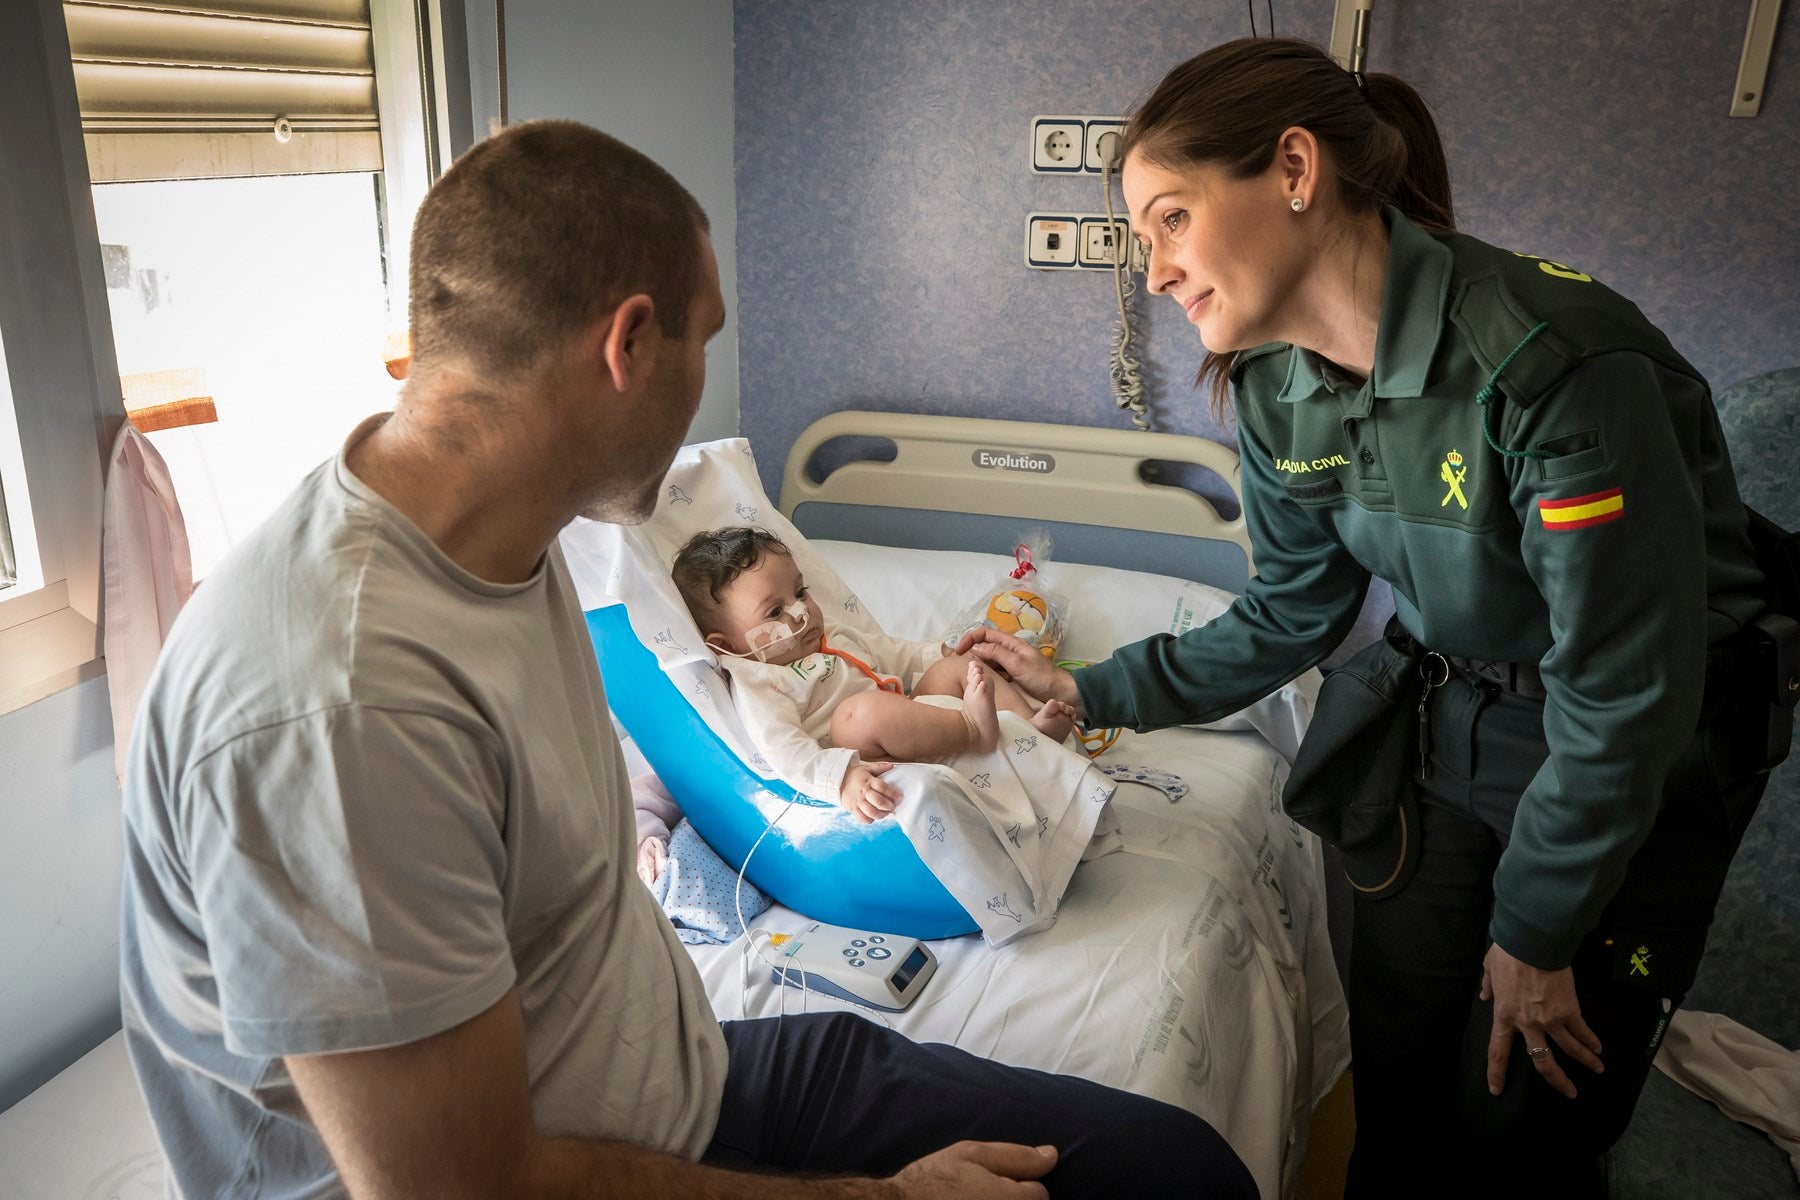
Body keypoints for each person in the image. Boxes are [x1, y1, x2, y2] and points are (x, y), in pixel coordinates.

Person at [118, 120, 1257, 1200]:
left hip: (684, 1080)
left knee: (1173, 1170)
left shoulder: (519, 550)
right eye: (704, 339)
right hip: (587, 1168)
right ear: (629, 344)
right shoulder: (339, 699)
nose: (708, 382)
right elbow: (463, 1189)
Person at [959, 37, 1778, 1198]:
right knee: (1395, 1097)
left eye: (1172, 220)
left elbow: (1625, 693)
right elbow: (1289, 613)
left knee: (1517, 1126)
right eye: (1143, 240)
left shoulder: (1550, 369)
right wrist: (1089, 689)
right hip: (1455, 727)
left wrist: (1539, 936)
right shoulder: (1277, 389)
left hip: (1638, 757)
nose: (1154, 273)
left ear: (1294, 170)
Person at [672, 526, 1076, 822]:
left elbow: (895, 654)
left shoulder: (832, 636)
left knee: (959, 669)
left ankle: (1030, 730)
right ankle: (974, 731)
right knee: (858, 712)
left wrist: (942, 652)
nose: (801, 611)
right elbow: (784, 750)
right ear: (725, 646)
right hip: (862, 751)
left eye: (800, 592)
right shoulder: (760, 683)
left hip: (910, 718)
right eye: (774, 612)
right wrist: (842, 780)